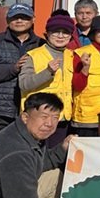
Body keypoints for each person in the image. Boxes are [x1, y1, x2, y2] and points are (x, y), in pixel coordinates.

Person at [0, 3, 43, 149]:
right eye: (15, 17)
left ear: (33, 20)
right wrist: (13, 68)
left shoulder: (41, 44)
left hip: (28, 111)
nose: (19, 21)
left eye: (24, 17)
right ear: (7, 20)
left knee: (21, 153)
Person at [18, 13, 75, 147]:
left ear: (71, 36)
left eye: (65, 32)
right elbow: (24, 84)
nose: (60, 36)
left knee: (56, 154)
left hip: (62, 118)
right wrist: (47, 72)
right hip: (38, 118)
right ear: (47, 34)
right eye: (55, 32)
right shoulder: (33, 55)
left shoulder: (72, 56)